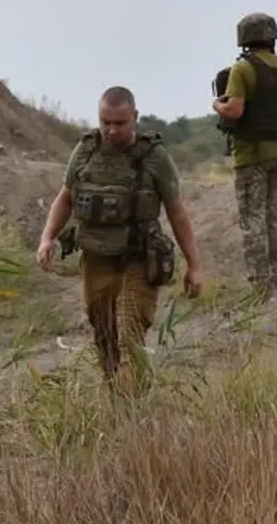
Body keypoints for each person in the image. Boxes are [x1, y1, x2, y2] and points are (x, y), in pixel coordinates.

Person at [36, 86, 203, 396]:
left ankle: (130, 408)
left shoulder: (153, 157)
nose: (112, 130)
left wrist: (194, 265)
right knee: (105, 336)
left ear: (134, 117)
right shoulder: (85, 152)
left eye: (120, 123)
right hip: (96, 258)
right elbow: (66, 198)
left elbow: (176, 211)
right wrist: (47, 238)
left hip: (138, 259)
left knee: (130, 336)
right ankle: (119, 400)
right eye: (106, 122)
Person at [212, 12, 277, 296]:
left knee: (253, 221)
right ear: (273, 37)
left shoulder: (243, 68)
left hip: (250, 158)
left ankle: (261, 289)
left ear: (243, 38)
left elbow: (234, 111)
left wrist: (217, 105)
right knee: (276, 219)